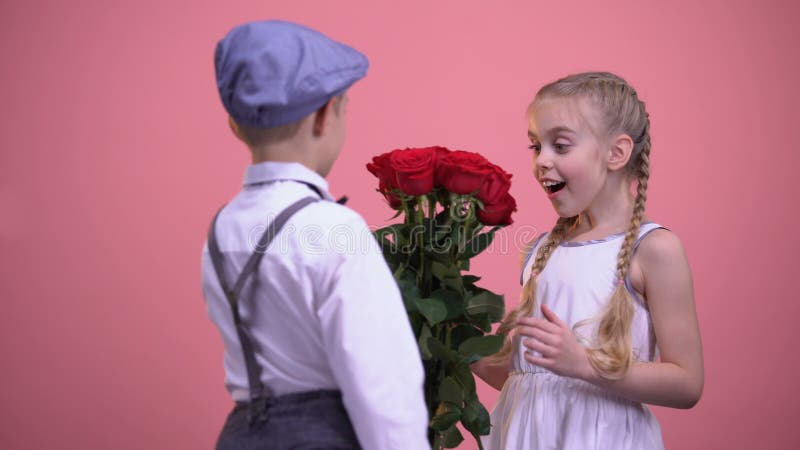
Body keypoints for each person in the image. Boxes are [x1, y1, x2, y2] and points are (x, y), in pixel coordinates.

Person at [201, 20, 429, 450]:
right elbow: (383, 385)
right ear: (326, 115)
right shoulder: (334, 229)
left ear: (235, 125)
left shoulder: (222, 227)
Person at [472, 72, 704, 449]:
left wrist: (583, 363)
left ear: (617, 153)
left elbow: (687, 382)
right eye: (535, 146)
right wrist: (459, 349)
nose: (541, 160)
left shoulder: (653, 250)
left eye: (560, 146)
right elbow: (529, 375)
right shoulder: (538, 250)